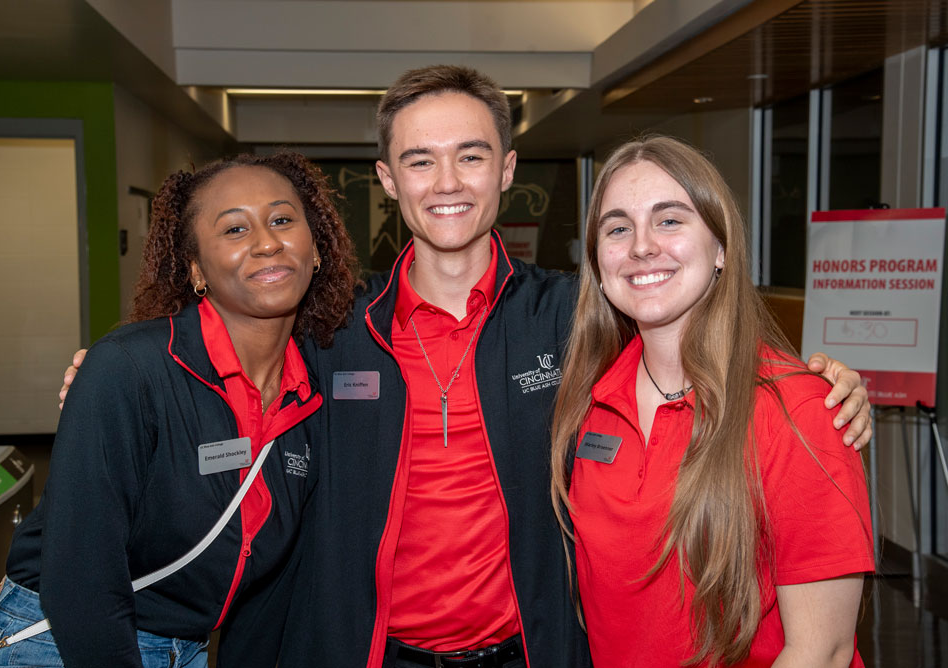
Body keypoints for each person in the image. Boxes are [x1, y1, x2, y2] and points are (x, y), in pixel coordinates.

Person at [61, 67, 873, 668]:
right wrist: (114, 380)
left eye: (472, 157)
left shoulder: (578, 318)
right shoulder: (329, 326)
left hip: (534, 651)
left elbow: (692, 329)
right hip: (365, 651)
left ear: (508, 172)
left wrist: (822, 382)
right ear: (387, 182)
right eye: (419, 161)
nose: (446, 183)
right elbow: (222, 359)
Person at [0, 151, 358, 668]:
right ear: (196, 268)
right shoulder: (131, 368)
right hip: (58, 642)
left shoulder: (310, 387)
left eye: (283, 220)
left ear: (316, 248)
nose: (267, 242)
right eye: (235, 230)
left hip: (185, 649)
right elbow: (81, 571)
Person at [550, 136, 873, 667]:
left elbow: (824, 651)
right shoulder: (588, 401)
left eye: (670, 220)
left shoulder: (798, 410)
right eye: (617, 228)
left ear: (721, 247)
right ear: (598, 266)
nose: (641, 245)